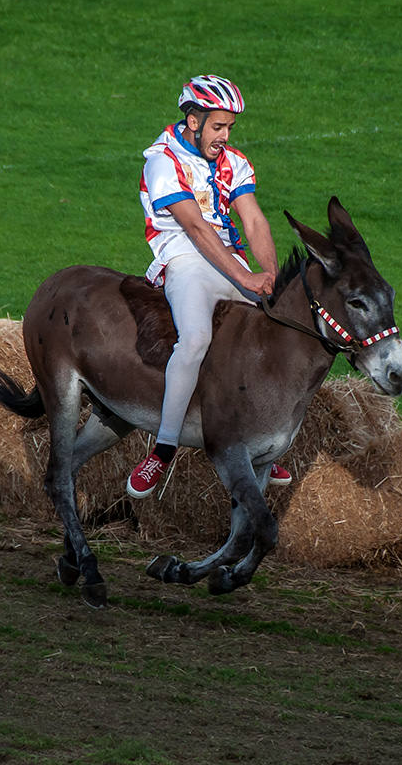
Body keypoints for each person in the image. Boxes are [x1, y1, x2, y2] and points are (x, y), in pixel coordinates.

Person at [126, 74, 292, 499]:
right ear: (194, 121)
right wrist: (245, 278)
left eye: (229, 128)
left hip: (228, 260)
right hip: (183, 258)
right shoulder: (162, 160)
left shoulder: (232, 161)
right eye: (218, 126)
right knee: (196, 340)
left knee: (276, 328)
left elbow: (253, 220)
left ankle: (260, 442)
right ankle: (162, 449)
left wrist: (268, 273)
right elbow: (197, 230)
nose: (225, 136)